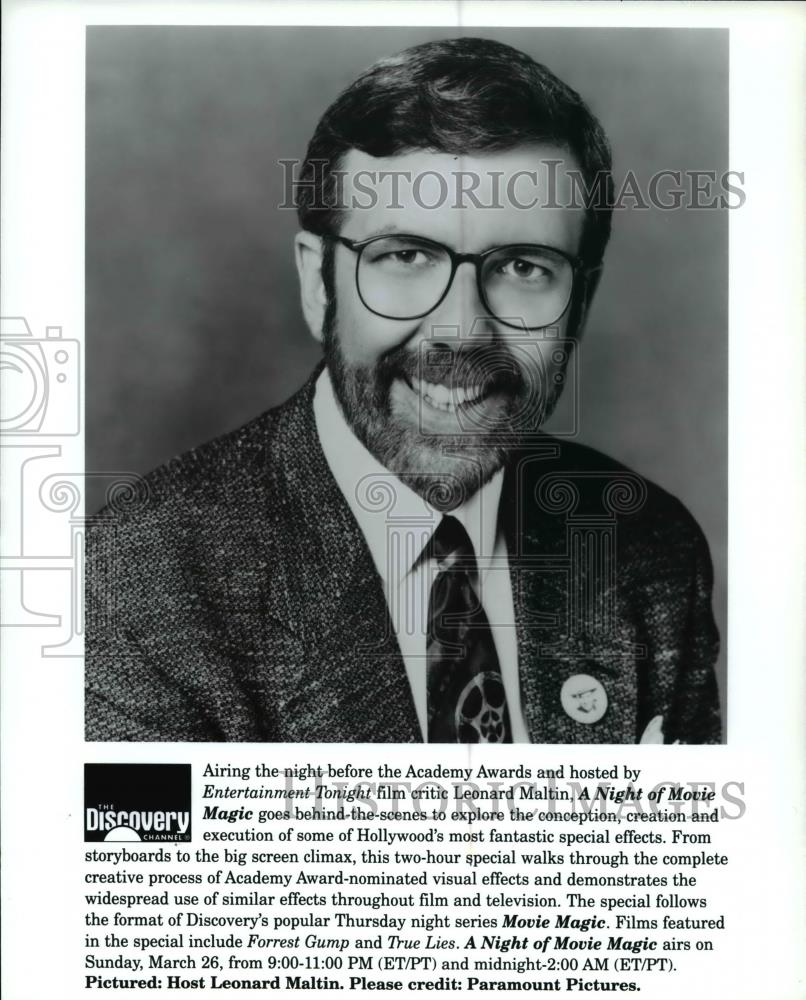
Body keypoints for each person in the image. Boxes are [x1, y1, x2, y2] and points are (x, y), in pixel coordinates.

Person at [86, 37, 721, 744]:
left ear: (582, 302)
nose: (462, 330)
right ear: (318, 283)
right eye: (407, 256)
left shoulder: (648, 547)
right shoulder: (134, 586)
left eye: (522, 265)